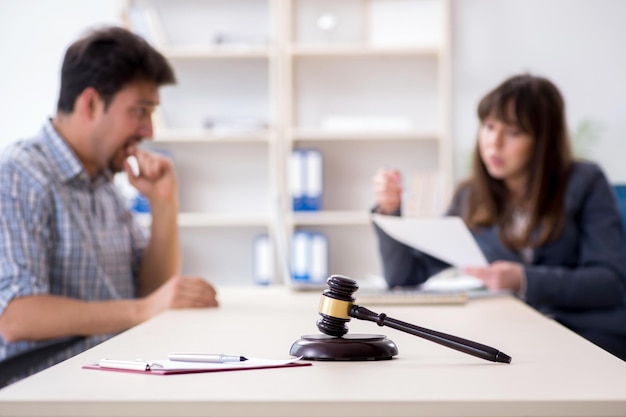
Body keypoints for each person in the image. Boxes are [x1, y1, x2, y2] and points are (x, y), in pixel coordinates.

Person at [0, 26, 219, 387]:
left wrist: (163, 205)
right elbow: (16, 317)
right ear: (90, 103)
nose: (148, 131)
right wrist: (143, 310)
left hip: (116, 378)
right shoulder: (20, 176)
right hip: (50, 391)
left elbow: (152, 292)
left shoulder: (105, 184)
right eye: (140, 111)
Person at [372, 73, 626, 360]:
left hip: (586, 335)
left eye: (514, 132)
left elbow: (609, 283)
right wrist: (389, 211)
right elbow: (404, 277)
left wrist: (522, 279)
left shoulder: (585, 182)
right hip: (514, 336)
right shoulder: (472, 195)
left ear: (543, 141)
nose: (494, 142)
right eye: (489, 127)